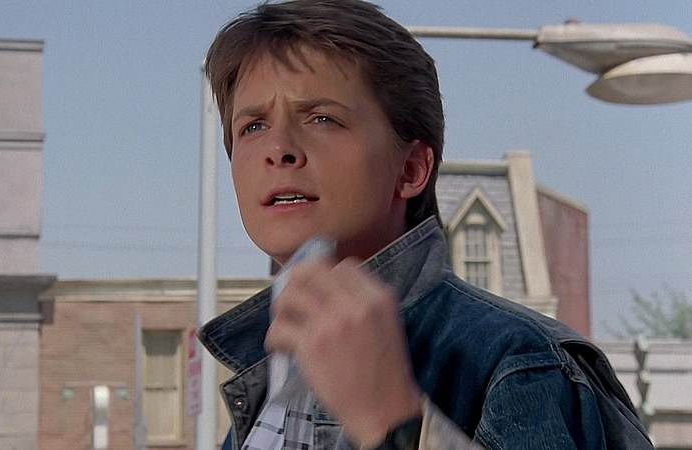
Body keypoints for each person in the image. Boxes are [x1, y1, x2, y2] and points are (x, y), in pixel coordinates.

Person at [197, 0, 652, 448]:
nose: (278, 149)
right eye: (252, 126)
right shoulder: (266, 382)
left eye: (322, 118)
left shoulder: (524, 365)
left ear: (412, 169)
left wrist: (393, 425)